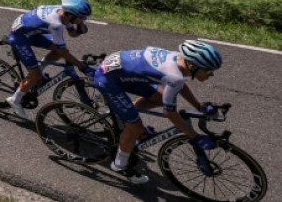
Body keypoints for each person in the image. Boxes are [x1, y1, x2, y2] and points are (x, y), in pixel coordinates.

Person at [93, 40, 222, 184]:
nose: (211, 75)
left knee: (161, 97)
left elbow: (179, 85)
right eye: (209, 70)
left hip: (119, 69)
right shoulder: (175, 75)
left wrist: (199, 106)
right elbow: (170, 113)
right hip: (107, 78)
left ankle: (123, 114)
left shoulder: (177, 59)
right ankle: (119, 165)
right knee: (136, 127)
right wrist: (195, 137)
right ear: (192, 66)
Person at [5, 0, 93, 121]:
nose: (84, 19)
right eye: (82, 17)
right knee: (37, 75)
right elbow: (62, 49)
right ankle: (15, 100)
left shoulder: (63, 12)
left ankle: (35, 72)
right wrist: (81, 66)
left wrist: (80, 26)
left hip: (30, 29)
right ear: (71, 15)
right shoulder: (56, 24)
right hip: (20, 37)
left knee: (59, 52)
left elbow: (73, 34)